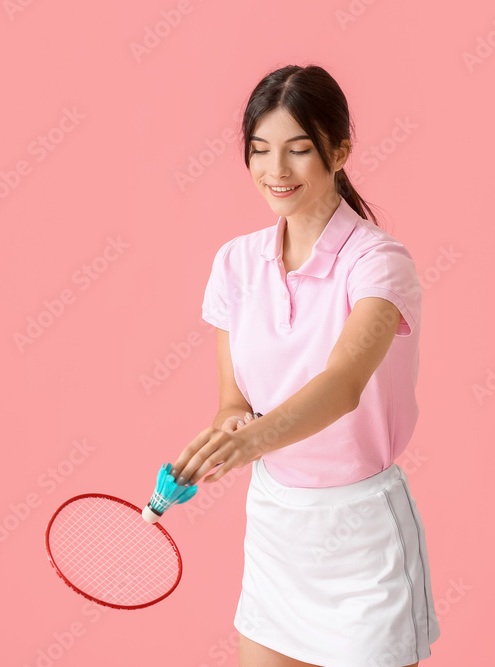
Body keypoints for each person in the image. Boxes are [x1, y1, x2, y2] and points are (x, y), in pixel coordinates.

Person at [171, 64, 440, 667]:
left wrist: (248, 445)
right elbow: (235, 402)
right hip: (275, 526)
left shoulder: (379, 262)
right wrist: (227, 433)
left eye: (298, 150)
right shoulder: (235, 264)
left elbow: (343, 386)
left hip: (362, 534)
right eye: (260, 150)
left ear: (339, 150)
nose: (275, 170)